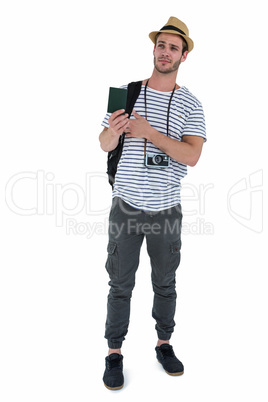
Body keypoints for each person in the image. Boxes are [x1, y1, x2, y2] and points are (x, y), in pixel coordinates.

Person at [99, 16, 206, 390]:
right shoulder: (125, 92)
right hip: (125, 205)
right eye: (161, 45)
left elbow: (191, 156)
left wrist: (148, 132)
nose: (166, 52)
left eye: (174, 47)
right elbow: (103, 144)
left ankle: (164, 343)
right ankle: (114, 352)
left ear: (184, 55)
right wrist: (112, 133)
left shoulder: (191, 104)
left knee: (165, 282)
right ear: (154, 49)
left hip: (165, 209)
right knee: (119, 284)